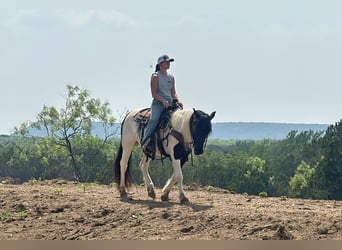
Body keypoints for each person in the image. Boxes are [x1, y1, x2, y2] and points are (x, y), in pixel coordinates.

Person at [141, 54, 183, 155]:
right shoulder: (155, 76)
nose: (169, 64)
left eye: (169, 62)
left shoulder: (171, 77)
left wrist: (178, 100)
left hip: (171, 103)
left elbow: (173, 93)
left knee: (181, 120)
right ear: (161, 64)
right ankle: (145, 142)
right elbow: (154, 94)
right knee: (154, 119)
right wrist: (163, 101)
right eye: (167, 62)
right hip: (158, 103)